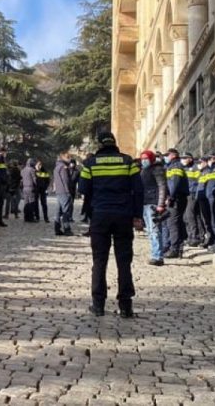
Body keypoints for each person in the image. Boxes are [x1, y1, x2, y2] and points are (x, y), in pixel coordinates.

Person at [80, 132, 143, 318]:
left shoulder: (90, 164)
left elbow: (83, 189)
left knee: (99, 260)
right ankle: (125, 306)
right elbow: (138, 190)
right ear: (114, 143)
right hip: (123, 215)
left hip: (100, 216)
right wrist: (137, 216)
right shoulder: (128, 161)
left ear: (99, 144)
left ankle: (98, 304)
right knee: (124, 261)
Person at [138, 150, 167, 266]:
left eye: (146, 158)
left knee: (155, 230)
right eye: (142, 158)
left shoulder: (157, 169)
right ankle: (155, 253)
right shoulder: (144, 170)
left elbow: (162, 186)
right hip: (145, 203)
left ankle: (158, 256)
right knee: (150, 231)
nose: (144, 160)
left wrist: (160, 204)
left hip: (153, 203)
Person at [163, 148, 189, 258]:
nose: (166, 157)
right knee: (176, 223)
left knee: (172, 223)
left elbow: (174, 182)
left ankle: (174, 249)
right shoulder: (173, 166)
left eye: (167, 155)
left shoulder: (175, 166)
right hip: (178, 197)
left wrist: (171, 197)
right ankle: (178, 248)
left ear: (173, 155)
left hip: (176, 198)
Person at [53, 152, 76, 236]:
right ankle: (67, 229)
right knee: (66, 211)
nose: (70, 159)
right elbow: (65, 180)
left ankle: (57, 228)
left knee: (58, 211)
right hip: (64, 191)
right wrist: (68, 191)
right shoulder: (64, 167)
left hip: (59, 191)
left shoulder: (57, 166)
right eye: (69, 157)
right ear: (64, 158)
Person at [20, 158, 37, 223]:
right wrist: (37, 185)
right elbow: (34, 179)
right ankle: (31, 218)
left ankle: (26, 217)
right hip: (30, 188)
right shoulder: (32, 170)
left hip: (24, 188)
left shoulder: (23, 170)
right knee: (31, 203)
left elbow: (21, 179)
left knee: (26, 203)